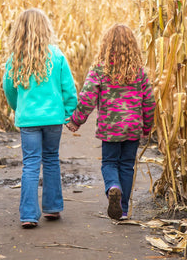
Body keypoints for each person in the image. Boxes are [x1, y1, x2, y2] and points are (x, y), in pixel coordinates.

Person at [66, 24, 155, 220]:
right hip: (132, 128)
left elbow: (87, 97)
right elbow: (149, 101)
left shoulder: (100, 69)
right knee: (126, 166)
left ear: (106, 45)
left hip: (110, 128)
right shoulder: (138, 72)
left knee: (109, 163)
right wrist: (147, 127)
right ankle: (122, 210)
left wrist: (76, 120)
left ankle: (113, 187)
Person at [3, 8, 77, 229]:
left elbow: (9, 89)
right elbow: (69, 89)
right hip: (53, 118)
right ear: (45, 28)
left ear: (20, 30)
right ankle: (52, 207)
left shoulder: (15, 58)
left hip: (29, 120)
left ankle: (28, 214)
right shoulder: (57, 55)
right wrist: (68, 113)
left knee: (31, 164)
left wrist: (19, 108)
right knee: (51, 159)